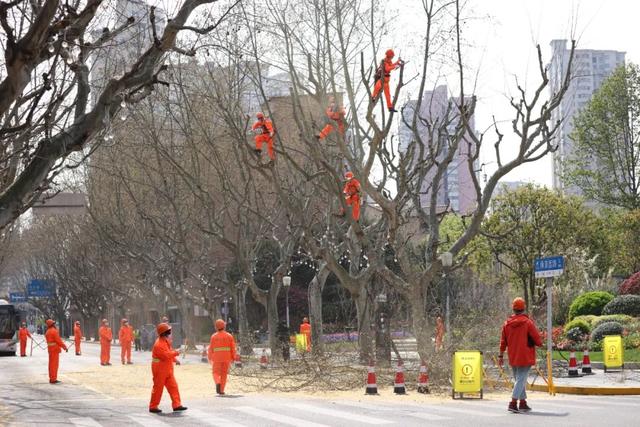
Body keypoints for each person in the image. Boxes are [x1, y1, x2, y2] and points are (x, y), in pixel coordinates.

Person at [498, 297, 542, 413]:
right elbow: (537, 339)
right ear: (524, 308)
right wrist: (539, 343)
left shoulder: (506, 324)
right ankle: (513, 403)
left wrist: (500, 356)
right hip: (525, 355)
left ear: (513, 309)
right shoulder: (528, 322)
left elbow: (503, 341)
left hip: (513, 356)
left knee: (519, 379)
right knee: (521, 380)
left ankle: (523, 404)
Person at [149, 322, 187, 414]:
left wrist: (175, 360)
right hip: (160, 369)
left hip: (167, 368)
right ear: (165, 332)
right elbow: (166, 355)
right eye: (169, 331)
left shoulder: (165, 341)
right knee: (158, 388)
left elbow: (169, 353)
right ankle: (153, 406)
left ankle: (177, 405)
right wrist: (177, 352)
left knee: (173, 387)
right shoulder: (159, 344)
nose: (170, 332)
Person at [208, 319, 236, 396]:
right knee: (224, 374)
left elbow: (211, 348)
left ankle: (218, 383)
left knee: (215, 373)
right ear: (224, 326)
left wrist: (209, 357)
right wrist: (233, 357)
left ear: (216, 327)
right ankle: (221, 390)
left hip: (216, 358)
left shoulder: (213, 336)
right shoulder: (229, 336)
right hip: (227, 358)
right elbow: (233, 348)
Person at [45, 319, 67, 384]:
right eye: (54, 324)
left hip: (50, 349)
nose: (55, 325)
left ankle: (51, 378)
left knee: (51, 365)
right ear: (52, 324)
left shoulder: (47, 331)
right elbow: (58, 340)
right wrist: (64, 347)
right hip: (55, 350)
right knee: (54, 365)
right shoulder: (54, 331)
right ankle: (53, 379)